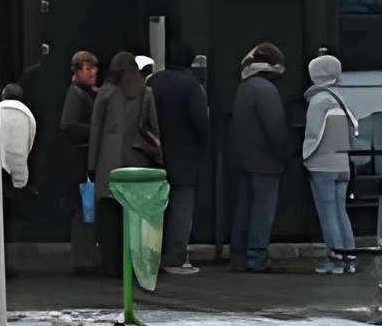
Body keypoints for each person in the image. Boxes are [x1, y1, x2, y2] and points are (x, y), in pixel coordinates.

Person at [146, 48, 215, 278]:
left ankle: (150, 255)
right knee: (181, 208)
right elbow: (201, 123)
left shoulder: (153, 81)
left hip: (153, 152)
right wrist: (203, 146)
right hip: (185, 155)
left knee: (154, 208)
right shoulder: (191, 86)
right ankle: (175, 257)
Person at [229, 41, 291, 273]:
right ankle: (257, 257)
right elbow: (275, 128)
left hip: (245, 160)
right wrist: (285, 153)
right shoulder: (266, 90)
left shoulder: (243, 88)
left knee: (244, 209)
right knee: (263, 212)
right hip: (266, 163)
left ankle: (239, 256)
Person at [85, 51, 152, 265]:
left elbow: (95, 130)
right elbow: (153, 127)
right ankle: (133, 262)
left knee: (109, 213)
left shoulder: (106, 92)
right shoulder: (146, 91)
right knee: (134, 213)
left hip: (109, 161)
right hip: (137, 159)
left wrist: (91, 164)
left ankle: (111, 262)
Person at [301, 52, 360, 275]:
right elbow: (353, 135)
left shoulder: (318, 101)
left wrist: (307, 158)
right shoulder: (343, 99)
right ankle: (349, 259)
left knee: (327, 213)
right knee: (341, 211)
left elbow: (312, 135)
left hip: (322, 165)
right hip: (343, 163)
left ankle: (334, 260)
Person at [55, 49, 101, 259]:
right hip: (80, 161)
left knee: (86, 208)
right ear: (76, 70)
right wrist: (95, 131)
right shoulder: (76, 94)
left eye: (94, 67)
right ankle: (83, 257)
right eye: (88, 68)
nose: (93, 72)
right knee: (85, 208)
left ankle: (85, 255)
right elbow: (68, 124)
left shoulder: (85, 93)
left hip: (82, 159)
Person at [0, 81, 38, 193]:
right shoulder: (28, 115)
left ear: (3, 95)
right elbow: (31, 140)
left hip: (2, 172)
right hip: (22, 175)